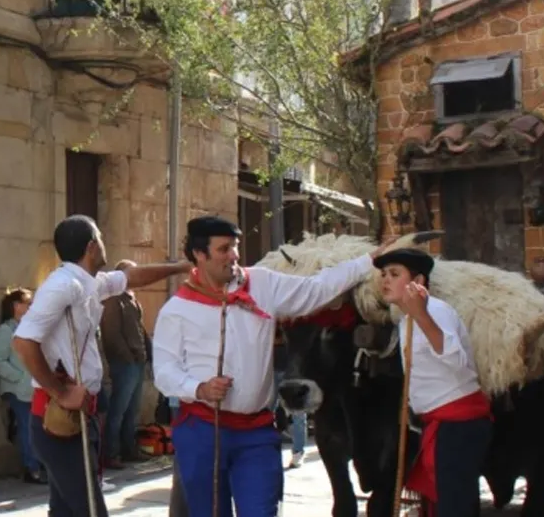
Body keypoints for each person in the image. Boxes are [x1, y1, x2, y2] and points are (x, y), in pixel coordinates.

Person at [152, 215, 376, 517]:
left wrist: (368, 261)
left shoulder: (263, 283)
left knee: (261, 511)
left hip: (256, 432)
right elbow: (165, 371)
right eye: (223, 249)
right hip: (202, 432)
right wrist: (199, 388)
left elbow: (317, 289)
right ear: (199, 254)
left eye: (235, 247)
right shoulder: (176, 310)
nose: (234, 256)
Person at [11, 214, 192, 517]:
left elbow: (131, 277)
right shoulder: (62, 286)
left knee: (65, 512)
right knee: (91, 511)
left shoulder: (89, 282)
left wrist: (182, 268)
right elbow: (23, 341)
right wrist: (60, 392)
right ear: (92, 246)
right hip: (59, 420)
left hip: (79, 417)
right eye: (101, 238)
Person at [374, 247, 492, 517]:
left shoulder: (435, 310)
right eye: (383, 274)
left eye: (395, 274)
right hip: (438, 423)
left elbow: (455, 359)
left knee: (454, 508)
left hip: (459, 424)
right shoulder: (405, 321)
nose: (385, 280)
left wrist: (422, 315)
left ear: (418, 281)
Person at [0, 287, 46, 484]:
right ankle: (32, 468)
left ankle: (40, 464)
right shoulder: (6, 331)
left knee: (37, 427)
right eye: (27, 303)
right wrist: (20, 377)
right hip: (17, 389)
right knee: (26, 426)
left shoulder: (30, 328)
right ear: (16, 306)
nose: (31, 307)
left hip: (34, 388)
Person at [99, 259, 151, 470]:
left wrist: (148, 353)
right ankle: (111, 453)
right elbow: (111, 334)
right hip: (124, 363)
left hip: (138, 361)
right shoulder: (113, 300)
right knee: (118, 410)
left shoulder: (132, 298)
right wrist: (128, 357)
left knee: (133, 410)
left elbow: (140, 328)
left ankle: (129, 449)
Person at [271, 325, 306, 468]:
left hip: (290, 370)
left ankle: (298, 452)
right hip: (274, 369)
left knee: (298, 414)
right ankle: (296, 452)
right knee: (267, 413)